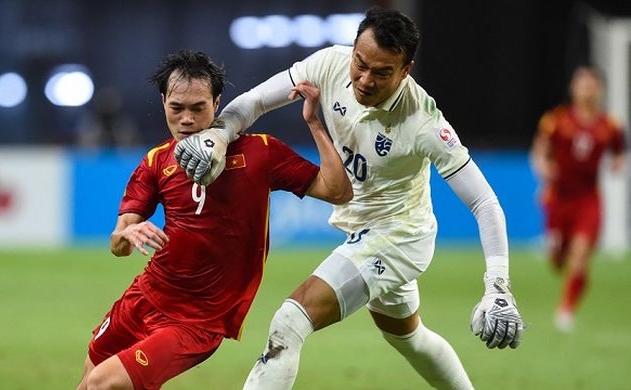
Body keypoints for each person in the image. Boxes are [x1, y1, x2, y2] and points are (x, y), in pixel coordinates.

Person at [174, 7, 525, 389]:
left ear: (406, 71)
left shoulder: (425, 123)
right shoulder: (331, 64)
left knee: (291, 321)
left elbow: (485, 203)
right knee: (410, 338)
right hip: (363, 229)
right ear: (354, 48)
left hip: (397, 236)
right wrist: (219, 135)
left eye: (382, 72)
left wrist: (498, 286)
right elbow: (256, 101)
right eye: (361, 63)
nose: (364, 79)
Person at [76, 50, 352, 390]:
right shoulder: (155, 162)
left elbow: (338, 191)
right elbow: (117, 244)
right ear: (163, 102)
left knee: (104, 383)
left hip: (196, 320)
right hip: (143, 298)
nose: (187, 120)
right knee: (88, 384)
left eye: (198, 108)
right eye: (177, 108)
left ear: (217, 103)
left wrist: (314, 123)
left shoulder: (261, 153)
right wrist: (129, 231)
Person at [530, 66, 626, 332]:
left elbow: (619, 151)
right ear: (573, 88)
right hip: (558, 198)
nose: (586, 89)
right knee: (557, 259)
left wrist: (618, 163)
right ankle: (556, 252)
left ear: (599, 90)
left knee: (581, 254)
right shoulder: (556, 120)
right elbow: (540, 152)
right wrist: (544, 168)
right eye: (582, 83)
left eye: (591, 84)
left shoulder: (610, 125)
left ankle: (566, 309)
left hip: (589, 199)